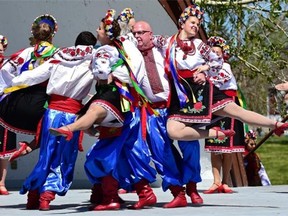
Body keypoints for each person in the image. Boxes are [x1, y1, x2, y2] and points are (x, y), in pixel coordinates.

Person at [156, 3, 288, 144]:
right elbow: (147, 39)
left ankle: (275, 125)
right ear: (182, 23)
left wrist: (205, 71)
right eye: (192, 22)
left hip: (201, 90)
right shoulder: (167, 42)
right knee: (173, 131)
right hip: (182, 93)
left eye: (198, 24)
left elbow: (218, 61)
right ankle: (214, 133)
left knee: (237, 112)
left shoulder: (199, 45)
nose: (196, 26)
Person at [5, 31, 97, 211]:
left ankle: (33, 195)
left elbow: (35, 75)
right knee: (63, 159)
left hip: (52, 113)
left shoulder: (59, 56)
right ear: (91, 45)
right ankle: (46, 196)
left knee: (46, 156)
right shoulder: (93, 58)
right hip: (71, 116)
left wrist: (10, 84)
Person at [126, 20, 203, 208]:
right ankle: (178, 191)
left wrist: (202, 73)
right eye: (135, 33)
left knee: (189, 144)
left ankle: (192, 186)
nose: (137, 37)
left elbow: (189, 62)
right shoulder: (131, 55)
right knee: (161, 151)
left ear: (150, 34)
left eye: (141, 33)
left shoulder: (165, 48)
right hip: (151, 110)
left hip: (175, 106)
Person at [0, 14, 58, 161]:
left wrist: (13, 85)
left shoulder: (26, 52)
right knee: (53, 132)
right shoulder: (57, 54)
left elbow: (5, 70)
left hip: (19, 101)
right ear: (51, 36)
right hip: (41, 103)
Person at [203, 36, 245, 194]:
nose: (215, 54)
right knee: (215, 147)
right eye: (212, 51)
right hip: (214, 106)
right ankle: (216, 181)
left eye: (217, 52)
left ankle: (225, 182)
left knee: (228, 148)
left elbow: (220, 79)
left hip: (229, 104)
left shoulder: (224, 66)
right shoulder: (206, 67)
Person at [0, 34, 11, 195]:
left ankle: (1, 183)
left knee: (4, 146)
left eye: (2, 45)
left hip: (4, 106)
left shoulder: (10, 64)